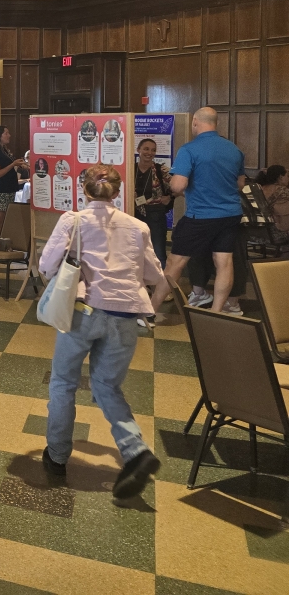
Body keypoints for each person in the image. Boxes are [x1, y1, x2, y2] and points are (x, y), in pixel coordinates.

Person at [40, 164, 167, 501]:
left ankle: (57, 456)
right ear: (118, 189)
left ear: (84, 190)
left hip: (82, 313)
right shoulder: (138, 227)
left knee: (64, 383)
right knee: (108, 386)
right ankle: (135, 451)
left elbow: (47, 264)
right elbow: (156, 276)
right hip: (125, 316)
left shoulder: (73, 221)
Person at [155, 107, 246, 314]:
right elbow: (240, 184)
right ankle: (216, 312)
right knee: (224, 262)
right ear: (216, 123)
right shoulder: (234, 149)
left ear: (195, 122)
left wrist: (175, 184)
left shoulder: (189, 149)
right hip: (231, 214)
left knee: (175, 262)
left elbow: (178, 186)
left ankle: (149, 310)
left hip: (201, 216)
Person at [0, 126, 28, 250]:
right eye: (6, 133)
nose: (9, 135)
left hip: (6, 189)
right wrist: (13, 164)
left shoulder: (3, 149)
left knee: (2, 219)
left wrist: (19, 165)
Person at [134, 138, 174, 267]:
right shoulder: (130, 169)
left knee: (158, 252)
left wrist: (170, 197)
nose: (149, 152)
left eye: (153, 150)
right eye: (146, 149)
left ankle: (160, 285)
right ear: (138, 150)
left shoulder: (161, 170)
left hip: (155, 216)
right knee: (135, 250)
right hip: (133, 215)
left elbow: (179, 187)